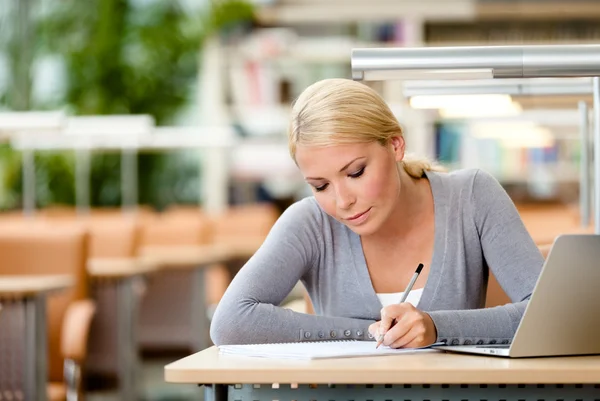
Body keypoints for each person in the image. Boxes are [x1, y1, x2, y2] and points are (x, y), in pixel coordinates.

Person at [210, 78, 543, 349]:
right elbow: (231, 323)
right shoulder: (309, 223)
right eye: (320, 185)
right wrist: (372, 333)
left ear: (396, 145)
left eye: (355, 173)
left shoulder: (471, 197)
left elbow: (549, 313)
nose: (342, 201)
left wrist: (435, 327)